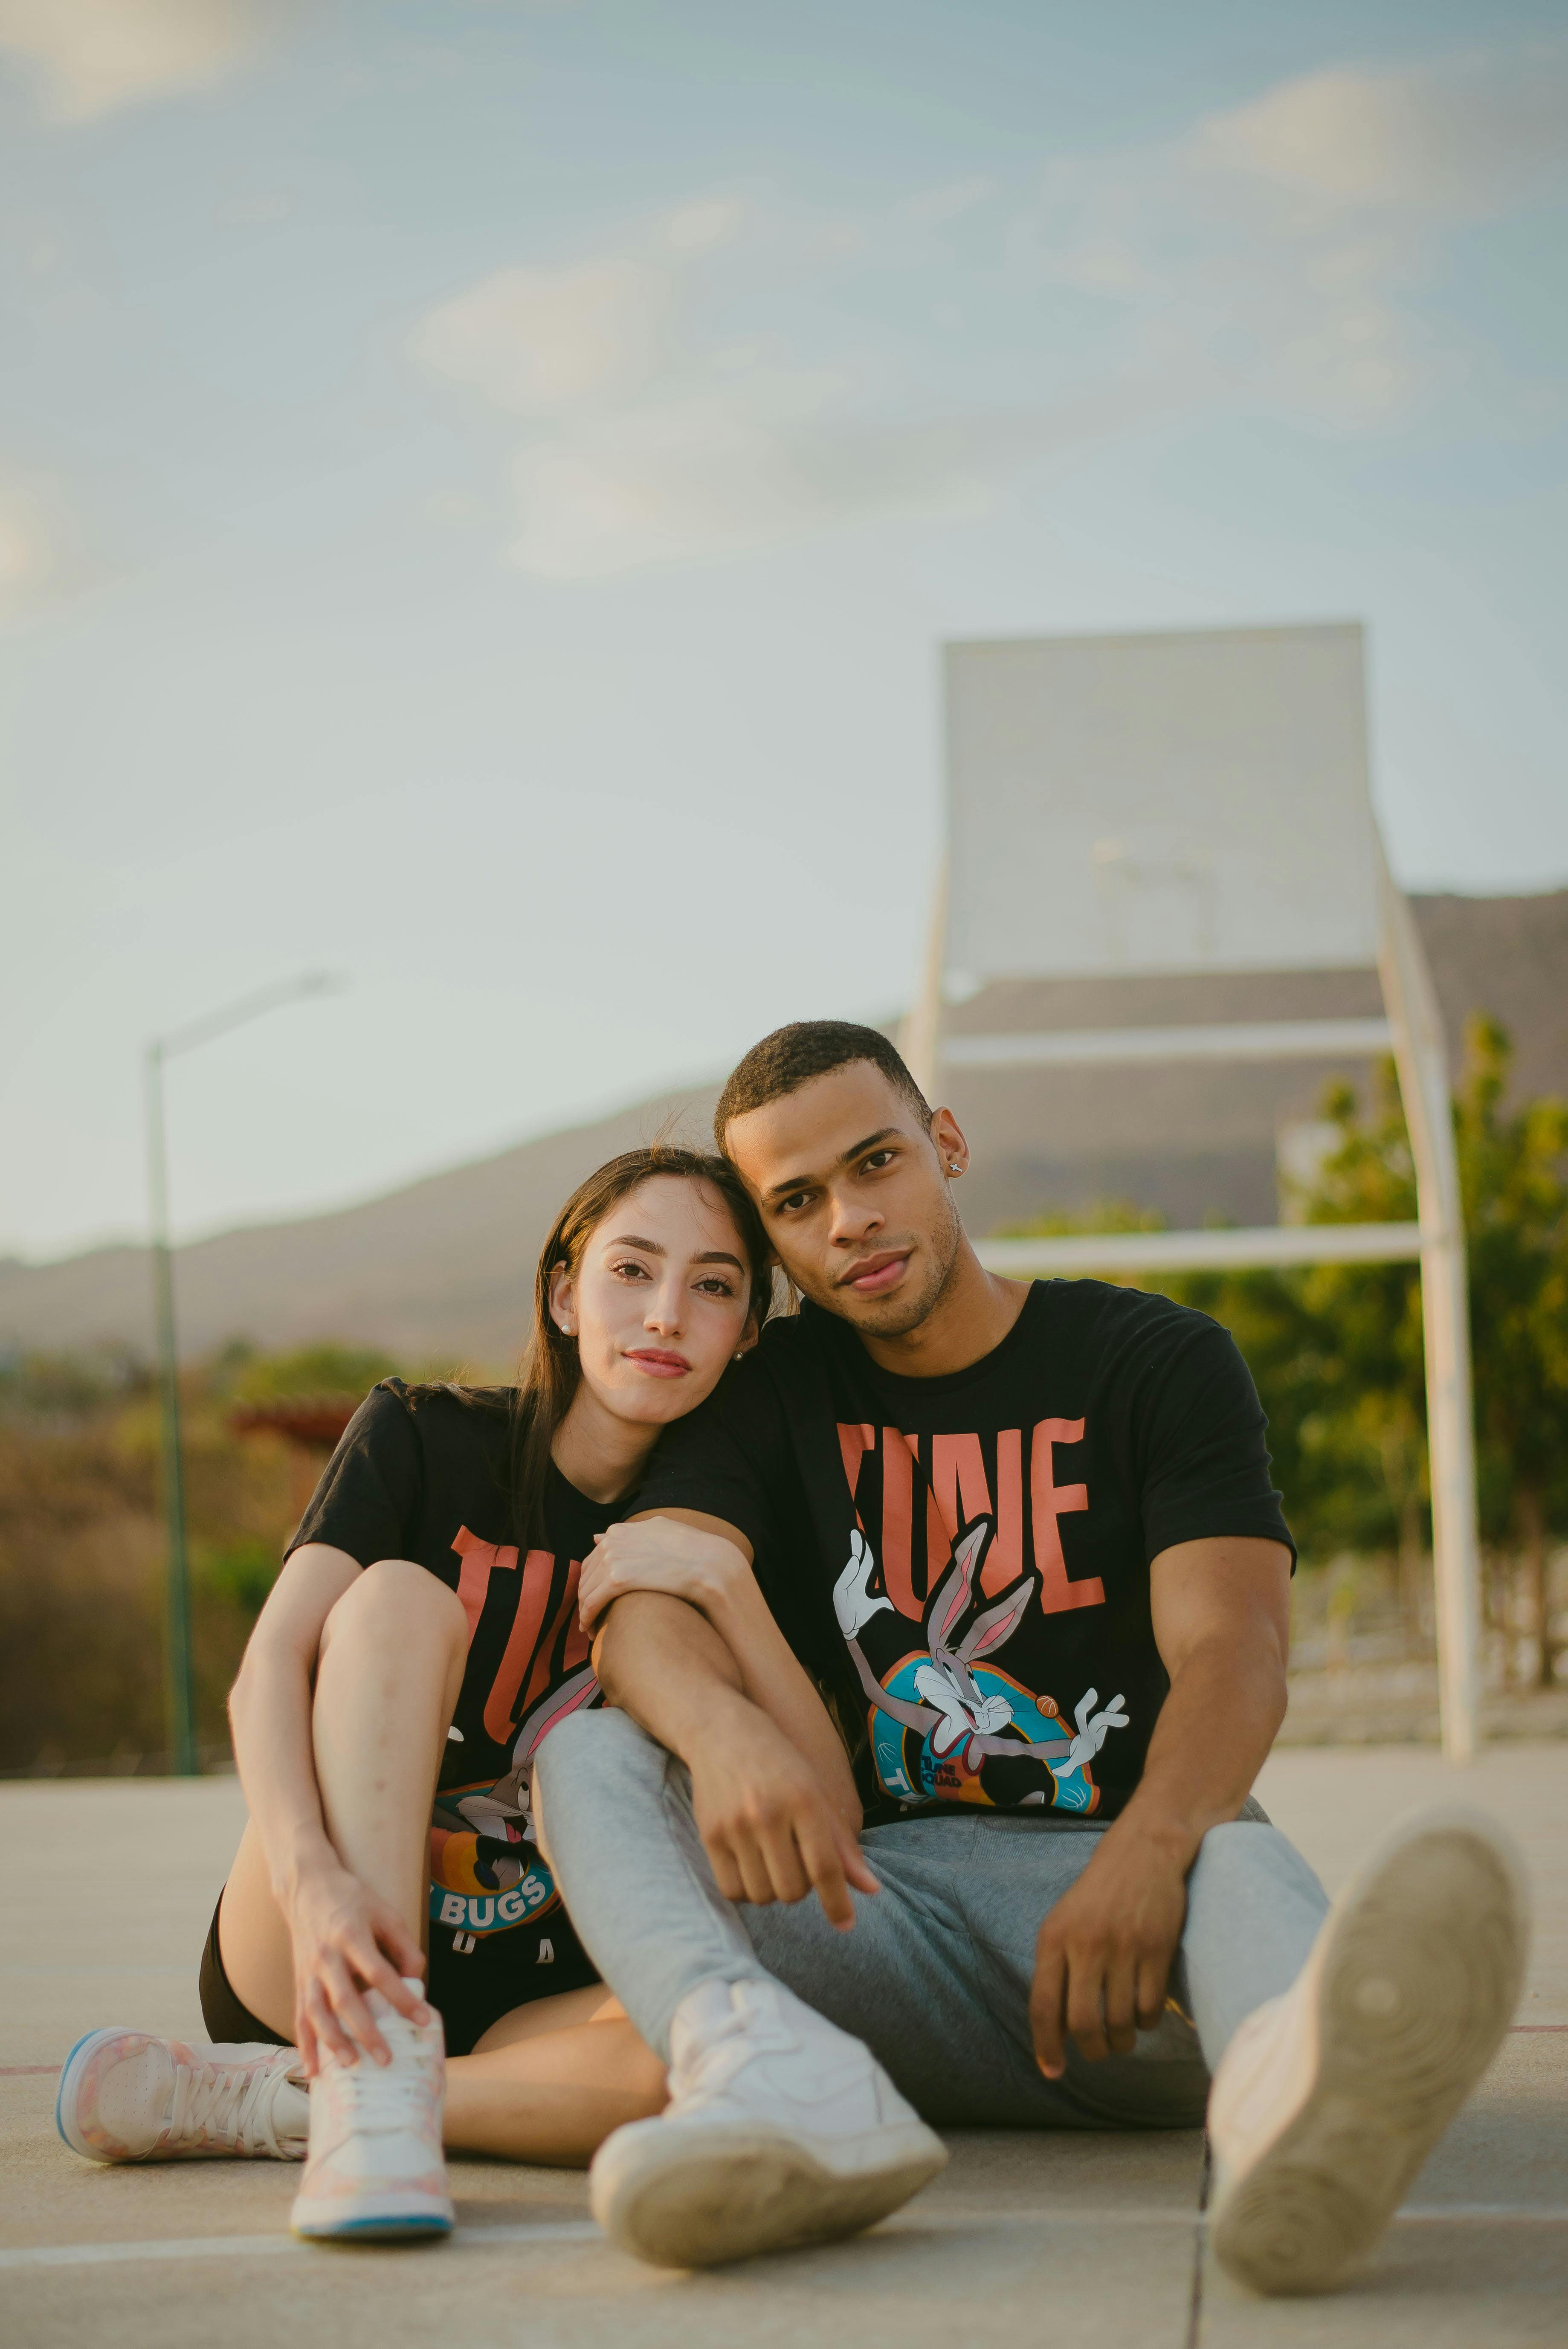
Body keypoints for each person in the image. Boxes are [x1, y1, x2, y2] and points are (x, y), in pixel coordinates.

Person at [533, 1020, 1530, 2289]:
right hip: (867, 1916)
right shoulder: (772, 1387)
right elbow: (639, 1601)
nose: (847, 1217)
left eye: (874, 1162)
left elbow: (1235, 1648)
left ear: (944, 1145)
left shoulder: (1152, 1363)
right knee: (599, 1748)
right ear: (774, 1241)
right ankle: (772, 2083)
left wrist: (1143, 1856)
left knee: (1228, 1851)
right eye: (795, 1200)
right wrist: (726, 1734)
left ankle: (1294, 2099)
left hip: (1130, 1940)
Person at [55, 1145, 926, 2240]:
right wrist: (312, 1881)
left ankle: (270, 2102)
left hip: (531, 1998)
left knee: (707, 2061)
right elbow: (269, 1666)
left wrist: (727, 1583)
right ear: (565, 1292)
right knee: (396, 1604)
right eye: (631, 1270)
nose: (665, 1315)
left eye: (713, 1286)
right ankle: (369, 2046)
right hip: (317, 1948)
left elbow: (824, 1808)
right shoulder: (424, 1436)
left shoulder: (720, 1521)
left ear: (747, 1332)